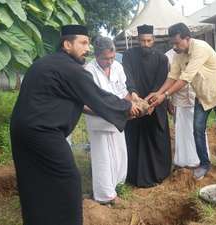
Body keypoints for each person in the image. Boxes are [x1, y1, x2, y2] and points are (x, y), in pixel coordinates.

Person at [10, 25, 141, 225]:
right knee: (68, 179)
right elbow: (98, 97)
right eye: (83, 43)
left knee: (33, 181)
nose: (87, 48)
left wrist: (125, 106)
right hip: (43, 132)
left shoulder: (47, 63)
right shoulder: (70, 69)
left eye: (88, 43)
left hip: (22, 130)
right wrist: (128, 108)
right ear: (67, 44)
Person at [148, 23, 216, 184]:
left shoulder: (200, 48)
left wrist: (164, 95)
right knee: (197, 129)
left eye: (177, 43)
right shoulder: (179, 54)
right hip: (202, 95)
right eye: (172, 43)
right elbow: (173, 76)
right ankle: (204, 164)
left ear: (187, 38)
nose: (174, 47)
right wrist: (158, 93)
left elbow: (185, 78)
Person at [122, 24, 172, 187]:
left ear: (154, 40)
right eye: (142, 41)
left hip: (155, 104)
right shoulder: (128, 56)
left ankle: (160, 173)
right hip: (135, 104)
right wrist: (135, 96)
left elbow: (160, 83)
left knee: (156, 137)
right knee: (135, 139)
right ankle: (134, 176)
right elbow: (127, 77)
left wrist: (151, 104)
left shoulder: (162, 58)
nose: (145, 44)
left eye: (149, 40)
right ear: (138, 40)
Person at [84, 37, 129, 205]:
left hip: (117, 119)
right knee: (103, 157)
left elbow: (123, 91)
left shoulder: (117, 66)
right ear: (96, 55)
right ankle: (105, 195)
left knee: (119, 154)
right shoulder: (88, 71)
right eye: (105, 58)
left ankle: (116, 185)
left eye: (112, 57)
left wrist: (133, 105)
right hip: (99, 121)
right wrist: (106, 112)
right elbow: (86, 103)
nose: (110, 62)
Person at [165, 48, 208, 168]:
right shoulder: (168, 57)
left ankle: (201, 158)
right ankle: (184, 161)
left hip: (197, 96)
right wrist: (168, 100)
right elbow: (168, 79)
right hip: (179, 98)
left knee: (199, 129)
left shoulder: (197, 52)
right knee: (182, 131)